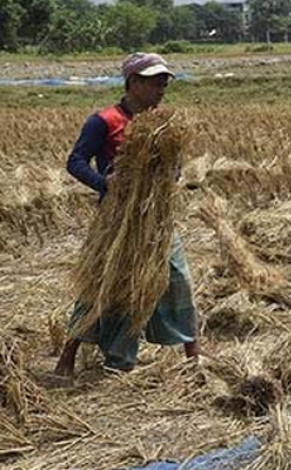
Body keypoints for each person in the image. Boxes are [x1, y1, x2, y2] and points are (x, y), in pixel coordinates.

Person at [55, 52, 200, 376]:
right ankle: (69, 356)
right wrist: (104, 183)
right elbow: (75, 161)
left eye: (164, 83)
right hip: (117, 222)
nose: (161, 89)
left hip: (158, 219)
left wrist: (169, 180)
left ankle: (194, 361)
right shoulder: (105, 121)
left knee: (178, 280)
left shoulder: (166, 124)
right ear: (133, 82)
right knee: (102, 285)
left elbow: (174, 166)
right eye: (154, 83)